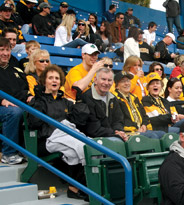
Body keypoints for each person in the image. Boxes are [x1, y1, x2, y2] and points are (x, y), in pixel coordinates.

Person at [28, 65, 89, 199]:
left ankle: (76, 188)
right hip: (45, 140)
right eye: (50, 78)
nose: (54, 81)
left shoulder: (65, 101)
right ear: (44, 81)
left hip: (65, 137)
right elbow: (34, 122)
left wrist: (79, 99)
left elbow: (80, 119)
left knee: (81, 149)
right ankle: (80, 187)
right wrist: (38, 99)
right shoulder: (38, 100)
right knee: (79, 148)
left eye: (57, 78)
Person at [0, 37, 31, 164]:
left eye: (7, 50)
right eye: (1, 50)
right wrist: (2, 100)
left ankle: (28, 150)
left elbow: (23, 90)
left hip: (16, 104)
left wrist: (28, 97)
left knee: (38, 109)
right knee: (14, 112)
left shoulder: (15, 70)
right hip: (5, 107)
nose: (5, 53)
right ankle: (8, 153)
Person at [112, 71, 165, 139]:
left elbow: (144, 115)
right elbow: (120, 120)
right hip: (128, 132)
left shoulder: (134, 97)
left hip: (140, 130)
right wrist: (137, 128)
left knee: (162, 134)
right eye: (123, 81)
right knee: (152, 136)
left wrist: (144, 125)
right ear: (116, 86)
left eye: (128, 81)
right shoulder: (115, 98)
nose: (126, 83)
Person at [80, 68, 128, 141]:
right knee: (119, 142)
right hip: (92, 139)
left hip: (112, 135)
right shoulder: (86, 98)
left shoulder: (113, 98)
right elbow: (93, 129)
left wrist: (119, 131)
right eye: (103, 79)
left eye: (109, 80)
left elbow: (118, 120)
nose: (106, 83)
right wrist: (115, 133)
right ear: (95, 80)